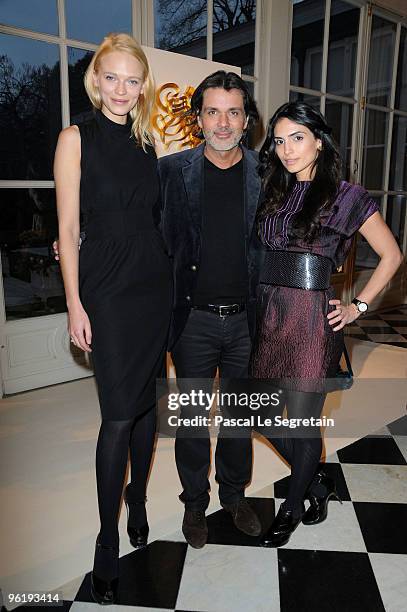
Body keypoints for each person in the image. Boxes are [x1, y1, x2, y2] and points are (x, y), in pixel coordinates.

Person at [249, 101, 403, 548]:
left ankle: (293, 506)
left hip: (312, 321)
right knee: (256, 413)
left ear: (319, 140)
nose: (287, 150)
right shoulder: (274, 191)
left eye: (297, 138)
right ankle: (315, 481)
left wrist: (358, 307)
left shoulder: (348, 196)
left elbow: (392, 256)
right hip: (270, 313)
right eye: (279, 141)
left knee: (300, 422)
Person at [54, 33, 172, 604]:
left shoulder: (150, 140)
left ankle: (141, 500)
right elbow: (67, 228)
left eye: (133, 79)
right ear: (95, 79)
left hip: (153, 284)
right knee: (117, 415)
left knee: (148, 401)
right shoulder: (75, 138)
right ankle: (106, 540)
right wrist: (75, 302)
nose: (122, 89)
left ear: (142, 84)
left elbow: (157, 218)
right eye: (112, 77)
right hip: (105, 289)